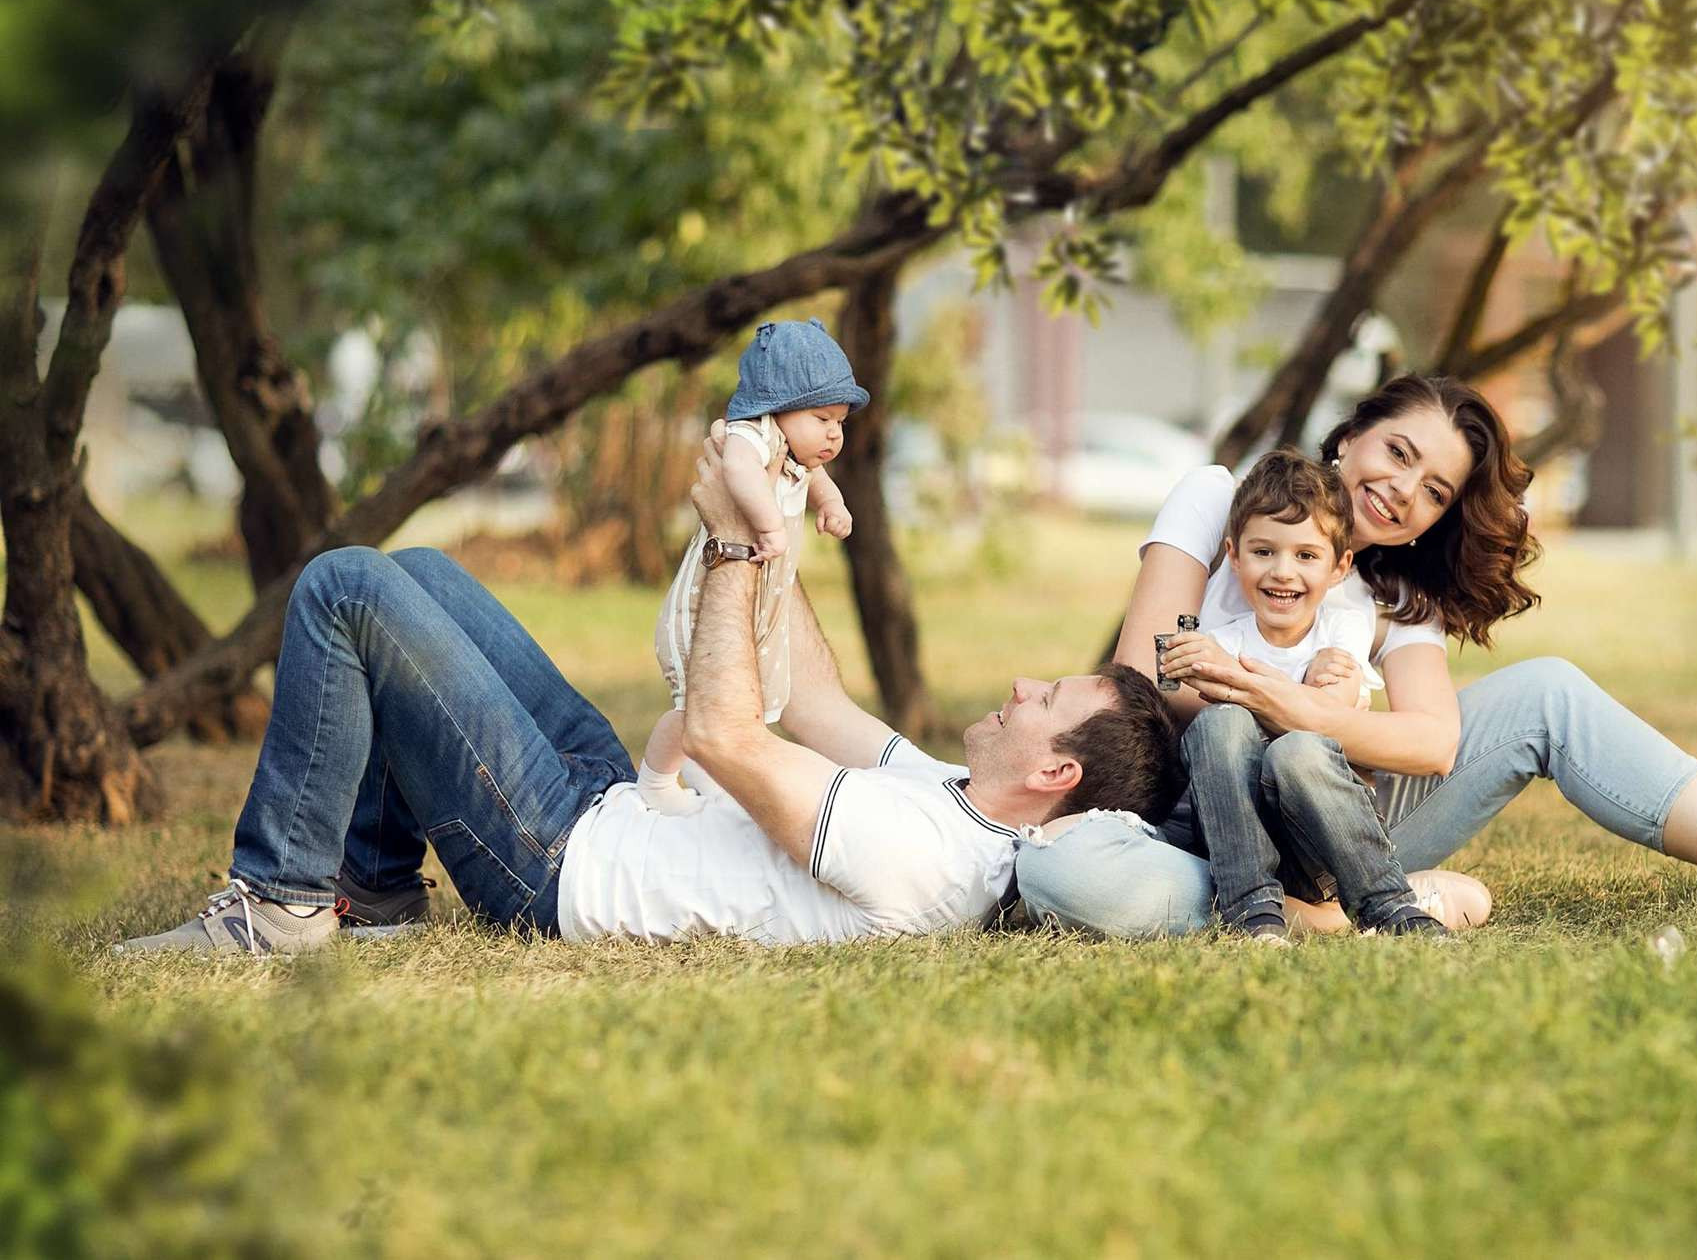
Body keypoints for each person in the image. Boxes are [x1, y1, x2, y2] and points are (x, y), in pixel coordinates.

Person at [115, 440, 1184, 956]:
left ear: (1055, 773)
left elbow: (725, 730)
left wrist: (725, 540)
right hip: (608, 795)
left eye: (1042, 696)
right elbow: (808, 698)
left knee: (347, 586)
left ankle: (282, 904)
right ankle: (381, 890)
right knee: (429, 579)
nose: (1015, 685)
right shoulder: (950, 793)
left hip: (556, 860)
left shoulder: (926, 854)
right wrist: (775, 520)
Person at [1015, 375, 1697, 936]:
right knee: (1083, 876)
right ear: (1350, 437)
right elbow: (1136, 685)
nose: (1401, 491)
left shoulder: (1393, 592)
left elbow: (1432, 744)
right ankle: (1337, 916)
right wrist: (1267, 695)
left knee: (1548, 690)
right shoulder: (1218, 500)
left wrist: (1311, 714)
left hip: (1324, 823)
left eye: (1432, 489)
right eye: (1396, 451)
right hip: (1195, 816)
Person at [1166, 448, 1445, 943]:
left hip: (1314, 844)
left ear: (1339, 568)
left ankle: (1388, 904)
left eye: (1306, 556)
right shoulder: (1226, 639)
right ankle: (1250, 909)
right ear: (1234, 556)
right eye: (1264, 552)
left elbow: (1328, 715)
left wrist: (1239, 681)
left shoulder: (1342, 630)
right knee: (1219, 724)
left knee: (1299, 748)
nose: (1282, 572)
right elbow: (1188, 698)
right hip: (1235, 840)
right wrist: (1222, 672)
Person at [640, 317, 863, 813]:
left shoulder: (801, 454)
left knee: (747, 703)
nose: (832, 434)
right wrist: (767, 525)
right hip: (706, 607)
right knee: (695, 703)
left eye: (840, 422)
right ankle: (656, 781)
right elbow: (737, 470)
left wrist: (833, 505)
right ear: (778, 408)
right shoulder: (754, 433)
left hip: (757, 610)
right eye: (822, 418)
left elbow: (818, 478)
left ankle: (709, 773)